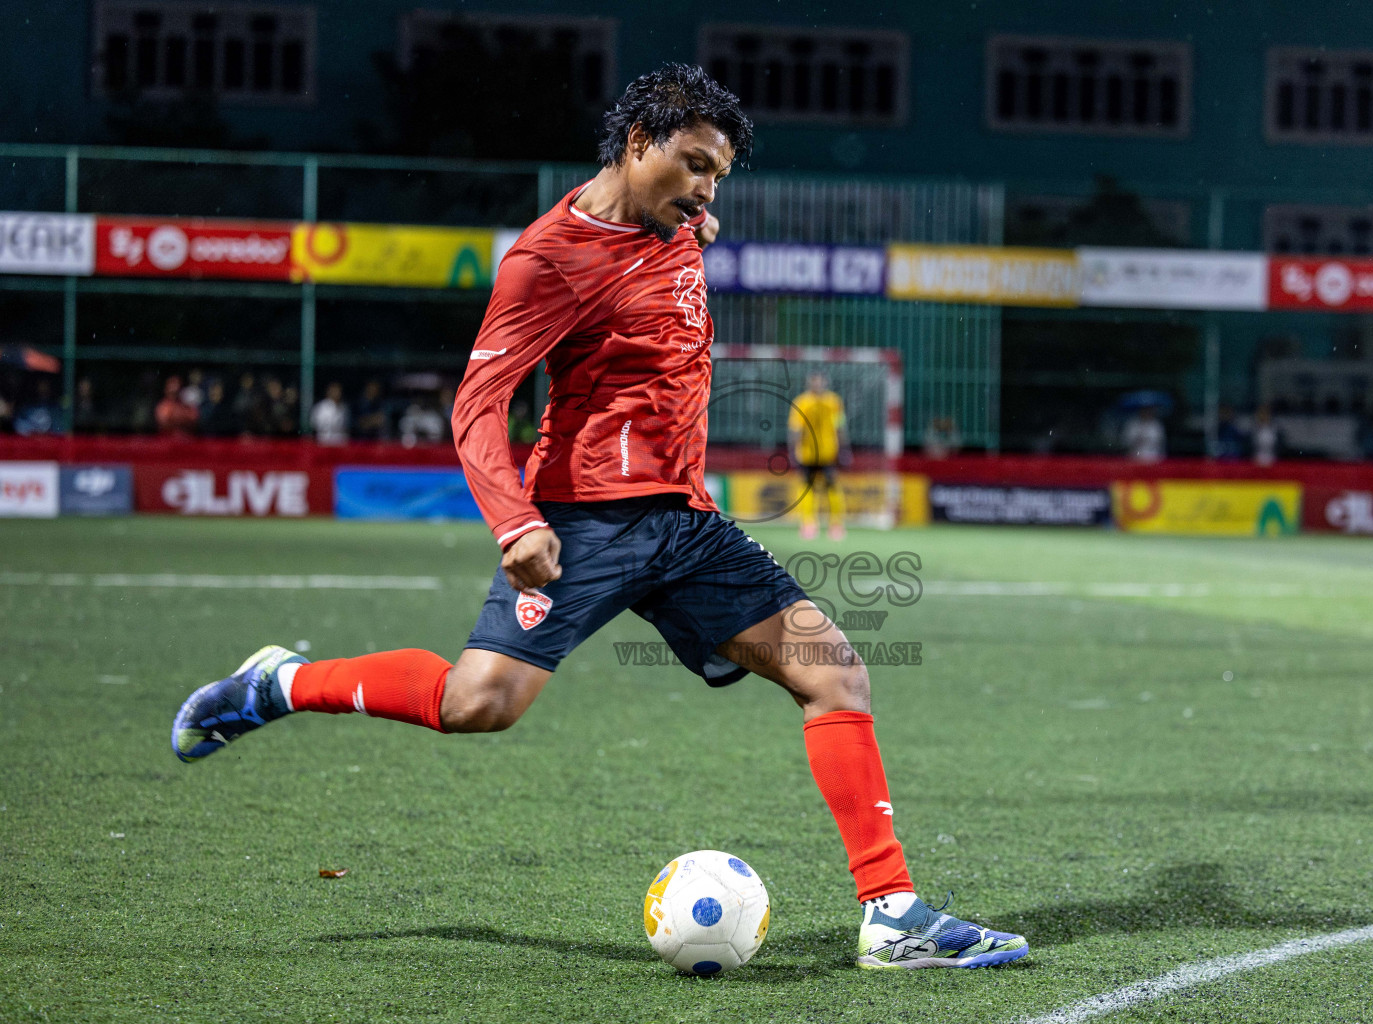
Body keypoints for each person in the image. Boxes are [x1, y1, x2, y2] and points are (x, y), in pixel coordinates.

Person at [171, 64, 1026, 972]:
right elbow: (477, 404)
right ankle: (281, 684)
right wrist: (514, 521)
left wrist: (691, 214)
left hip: (688, 523)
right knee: (478, 705)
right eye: (694, 164)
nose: (705, 190)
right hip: (584, 522)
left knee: (837, 674)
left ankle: (892, 915)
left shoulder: (680, 224)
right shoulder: (546, 260)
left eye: (718, 176)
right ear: (636, 143)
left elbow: (670, 253)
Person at [788, 372, 850, 541]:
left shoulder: (833, 402)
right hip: (807, 453)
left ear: (825, 383)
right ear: (809, 384)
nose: (817, 385)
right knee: (807, 488)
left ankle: (836, 524)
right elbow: (796, 429)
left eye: (820, 382)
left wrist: (844, 448)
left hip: (828, 452)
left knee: (832, 486)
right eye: (814, 382)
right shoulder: (802, 402)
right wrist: (793, 450)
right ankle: (809, 524)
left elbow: (839, 425)